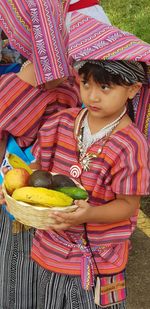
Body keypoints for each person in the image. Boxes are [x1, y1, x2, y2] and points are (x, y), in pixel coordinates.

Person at [29, 15, 150, 309]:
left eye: (105, 88)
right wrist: (15, 190)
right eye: (85, 83)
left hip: (101, 260)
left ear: (133, 89)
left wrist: (87, 216)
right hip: (51, 249)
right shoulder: (61, 123)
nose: (92, 96)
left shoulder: (131, 145)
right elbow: (36, 170)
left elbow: (127, 206)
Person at [0, 1, 80, 308]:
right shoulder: (75, 80)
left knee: (19, 274)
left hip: (23, 195)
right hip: (52, 190)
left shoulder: (15, 83)